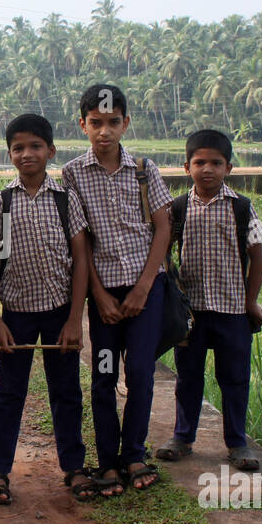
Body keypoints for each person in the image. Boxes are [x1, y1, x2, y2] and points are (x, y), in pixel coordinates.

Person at [61, 83, 171, 497]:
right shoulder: (73, 173)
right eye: (96, 123)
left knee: (141, 373)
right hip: (103, 293)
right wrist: (99, 295)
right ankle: (108, 460)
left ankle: (134, 453)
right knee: (104, 375)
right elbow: (80, 238)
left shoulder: (144, 169)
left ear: (125, 123)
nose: (104, 131)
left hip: (147, 292)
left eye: (112, 122)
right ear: (83, 125)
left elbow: (163, 228)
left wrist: (144, 287)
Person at [0, 113, 93, 504]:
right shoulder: (1, 201)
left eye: (35, 147)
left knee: (66, 392)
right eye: (18, 148)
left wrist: (75, 320)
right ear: (9, 154)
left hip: (60, 311)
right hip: (17, 312)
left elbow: (81, 260)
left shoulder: (67, 199)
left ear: (50, 151)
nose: (26, 154)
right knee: (10, 392)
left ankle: (74, 467)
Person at [156, 128, 262, 471]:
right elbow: (162, 252)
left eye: (216, 163)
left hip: (232, 311)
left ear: (229, 168)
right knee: (188, 377)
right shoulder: (177, 208)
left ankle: (237, 443)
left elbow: (258, 257)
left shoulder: (241, 208)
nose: (207, 169)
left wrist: (250, 302)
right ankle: (182, 437)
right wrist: (171, 294)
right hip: (191, 313)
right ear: (186, 166)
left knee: (234, 378)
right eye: (199, 162)